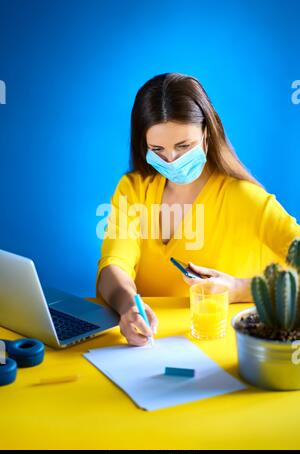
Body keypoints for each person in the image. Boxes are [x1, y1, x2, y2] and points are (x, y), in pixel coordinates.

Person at [96, 72, 300, 347]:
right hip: (150, 347)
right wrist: (128, 307)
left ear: (207, 133)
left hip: (226, 348)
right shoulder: (133, 189)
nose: (171, 160)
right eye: (157, 149)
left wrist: (239, 289)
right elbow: (113, 266)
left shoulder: (245, 198)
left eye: (183, 146)